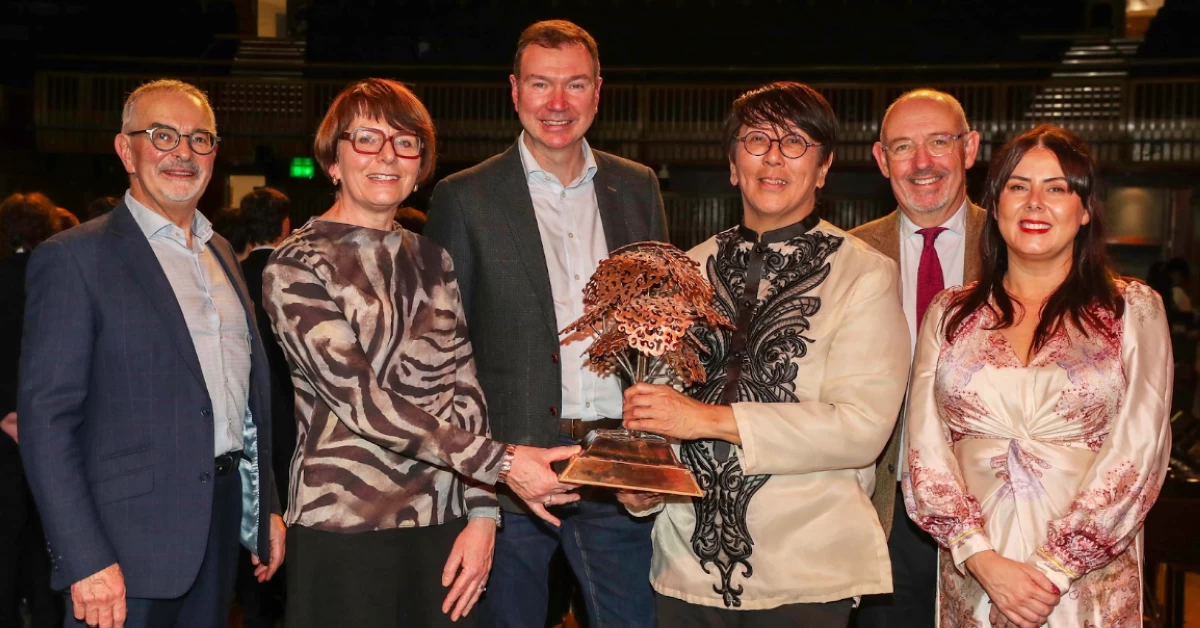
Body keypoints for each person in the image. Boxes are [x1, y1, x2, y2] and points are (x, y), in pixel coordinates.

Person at [262, 77, 581, 628]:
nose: (388, 155)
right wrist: (504, 464)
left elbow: (465, 387)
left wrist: (482, 515)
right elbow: (363, 404)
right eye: (366, 139)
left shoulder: (433, 258)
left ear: (419, 165)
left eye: (405, 142)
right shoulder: (295, 265)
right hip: (343, 525)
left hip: (443, 520)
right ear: (332, 161)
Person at [617, 81, 910, 627]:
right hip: (683, 566)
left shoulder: (865, 274)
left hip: (807, 566)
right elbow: (658, 416)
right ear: (732, 165)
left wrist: (707, 419)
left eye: (796, 141)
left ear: (823, 170)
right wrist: (643, 487)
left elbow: (862, 428)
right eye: (756, 139)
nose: (774, 155)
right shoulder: (682, 273)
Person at [426, 20, 668, 628]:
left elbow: (658, 328)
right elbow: (443, 353)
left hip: (615, 461)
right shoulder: (464, 196)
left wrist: (653, 452)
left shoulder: (637, 187)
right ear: (514, 91)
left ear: (597, 91)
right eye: (541, 84)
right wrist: (485, 475)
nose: (557, 103)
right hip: (513, 474)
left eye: (575, 85)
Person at [18, 79, 285, 628]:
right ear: (126, 150)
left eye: (200, 139)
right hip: (121, 547)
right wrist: (84, 558)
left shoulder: (223, 255)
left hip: (217, 529)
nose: (183, 153)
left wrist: (266, 509)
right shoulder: (73, 259)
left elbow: (245, 397)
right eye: (163, 136)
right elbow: (47, 423)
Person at [903, 124, 1171, 627]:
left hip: (1086, 579)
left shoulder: (1131, 308)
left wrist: (1054, 568)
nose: (1035, 203)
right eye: (1018, 186)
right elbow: (923, 446)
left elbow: (1142, 448)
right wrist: (979, 557)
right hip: (976, 570)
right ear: (996, 203)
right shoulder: (949, 312)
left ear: (1085, 209)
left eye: (1057, 188)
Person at [850, 88, 987, 627]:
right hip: (884, 509)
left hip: (994, 510)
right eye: (904, 147)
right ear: (882, 160)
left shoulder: (1014, 245)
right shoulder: (847, 255)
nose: (923, 163)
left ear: (970, 148)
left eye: (939, 142)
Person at [0, 192, 66, 628]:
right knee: (51, 535)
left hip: (3, 431)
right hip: (52, 429)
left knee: (4, 538)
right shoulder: (58, 281)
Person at [233, 187, 294, 628]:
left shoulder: (229, 278)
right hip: (294, 425)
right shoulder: (295, 275)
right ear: (286, 225)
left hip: (247, 426)